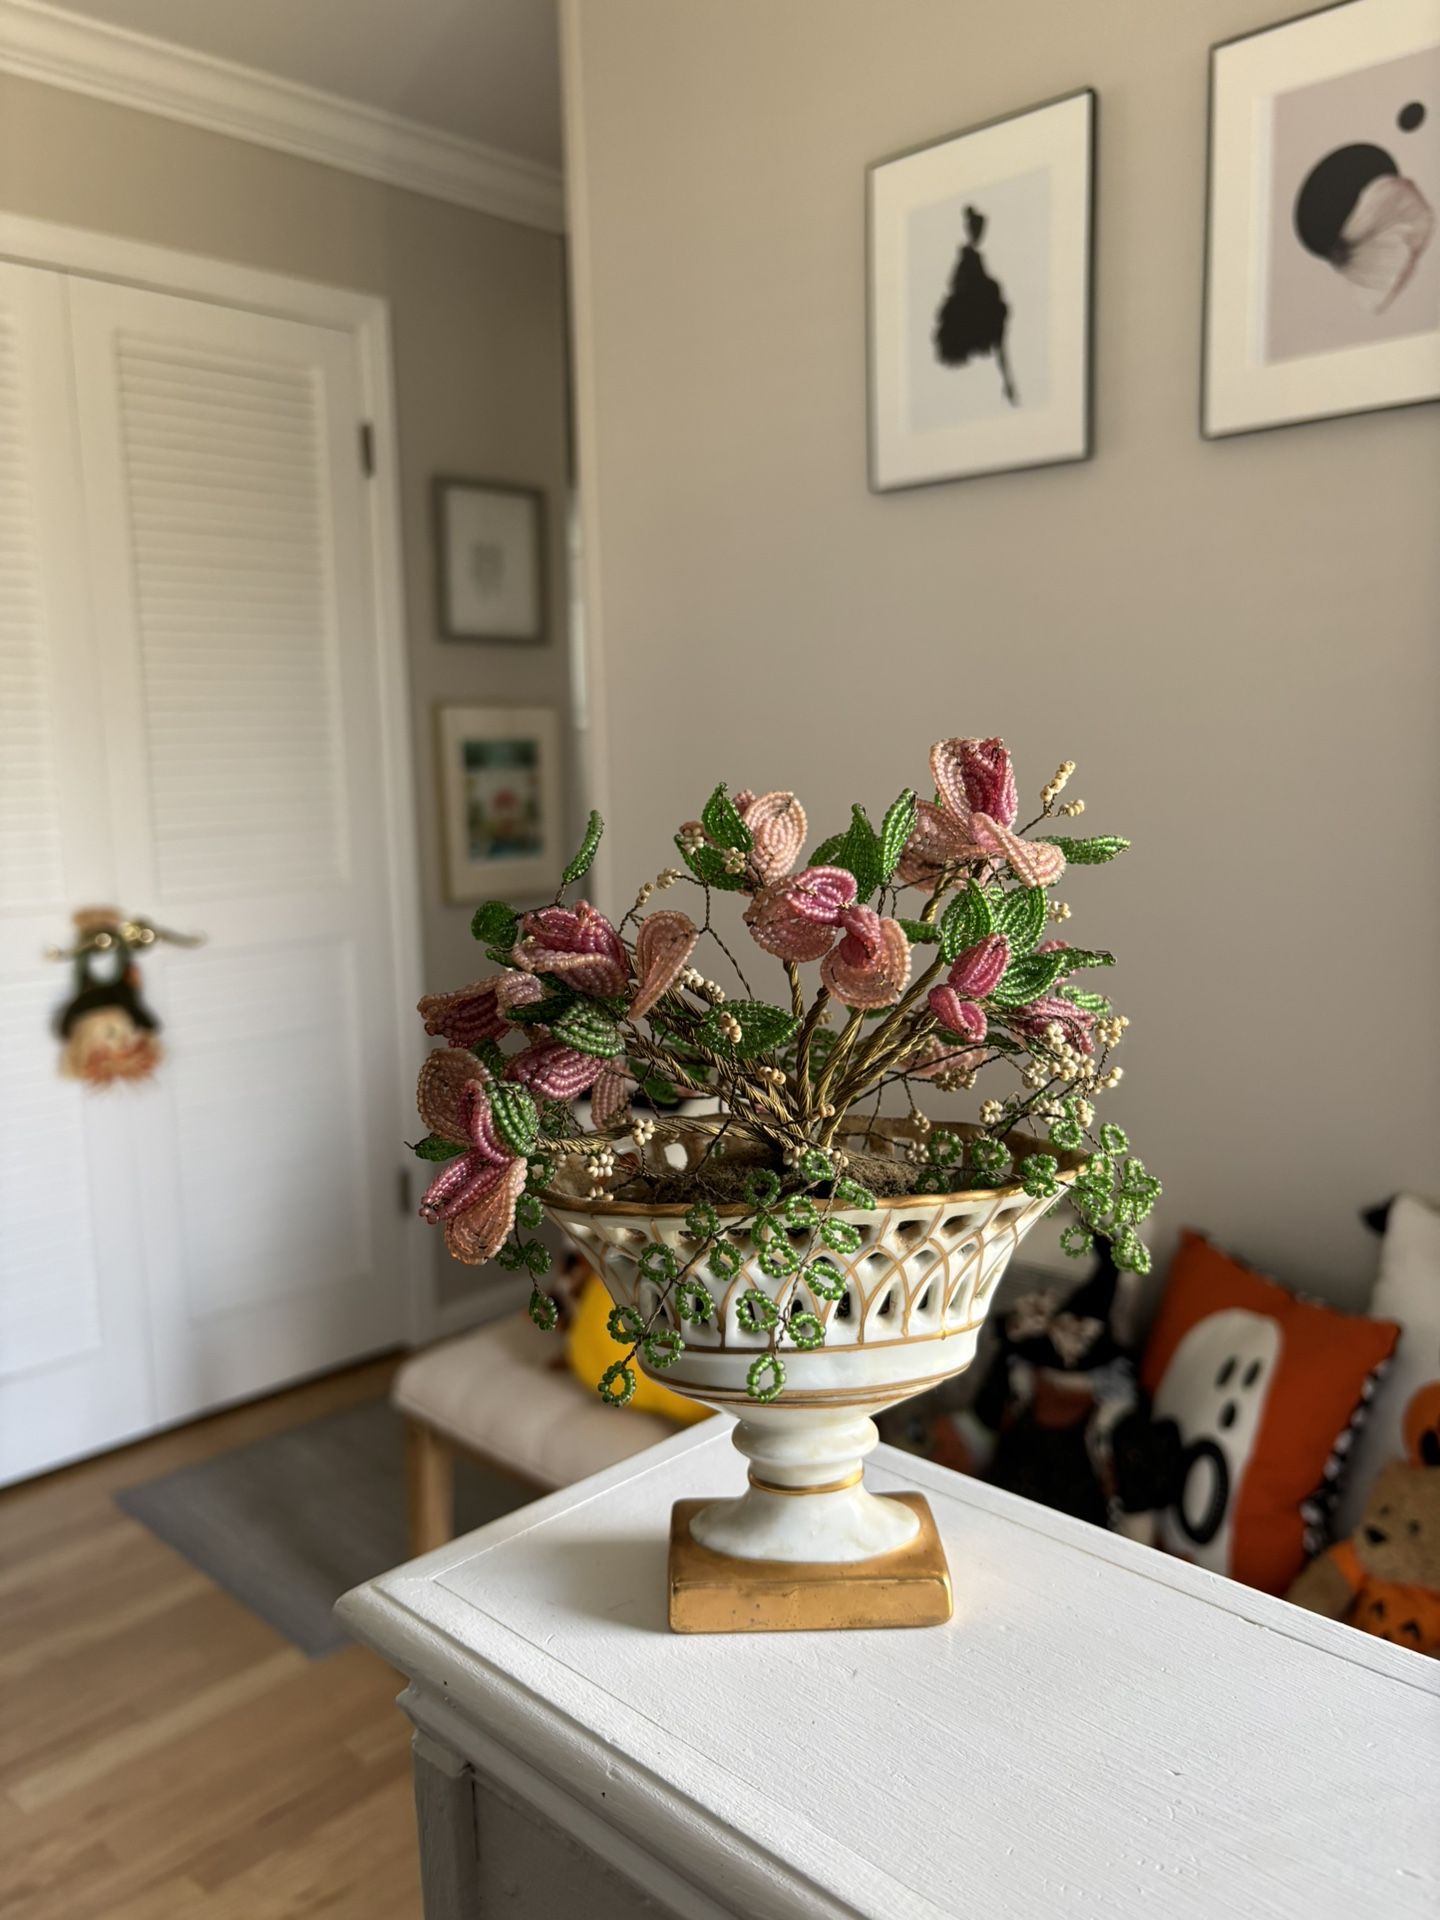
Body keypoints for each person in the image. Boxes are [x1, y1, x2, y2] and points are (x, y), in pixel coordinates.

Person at [933, 205, 1018, 406]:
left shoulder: (974, 256)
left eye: (981, 229)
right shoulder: (967, 255)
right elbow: (954, 282)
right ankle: (1006, 381)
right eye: (977, 228)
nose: (979, 233)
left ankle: (1007, 381)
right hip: (972, 308)